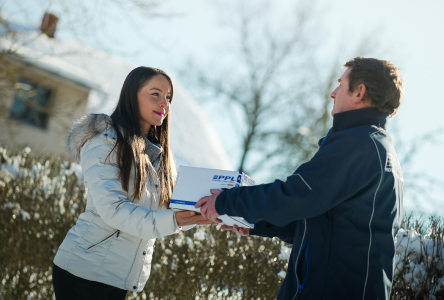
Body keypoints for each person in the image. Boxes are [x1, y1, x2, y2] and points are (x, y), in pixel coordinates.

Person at [196, 57, 405, 300]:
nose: (333, 93)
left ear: (359, 92)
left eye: (341, 84)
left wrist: (227, 201)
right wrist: (254, 223)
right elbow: (317, 224)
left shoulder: (359, 145)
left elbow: (295, 195)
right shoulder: (374, 146)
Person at [52, 67, 214, 300]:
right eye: (155, 94)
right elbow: (114, 211)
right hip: (83, 273)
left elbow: (165, 212)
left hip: (120, 278)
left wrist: (200, 213)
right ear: (131, 95)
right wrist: (175, 220)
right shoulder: (105, 141)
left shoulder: (158, 157)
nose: (164, 104)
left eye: (168, 98)